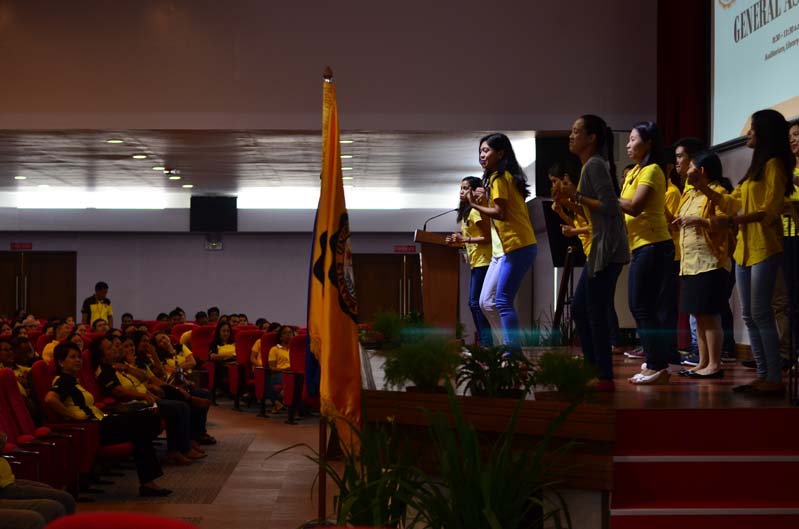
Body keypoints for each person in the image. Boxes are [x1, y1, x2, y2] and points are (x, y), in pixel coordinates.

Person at [691, 109, 795, 394]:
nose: (748, 134)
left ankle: (773, 378)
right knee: (749, 315)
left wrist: (732, 222)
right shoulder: (754, 170)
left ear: (764, 133)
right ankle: (763, 375)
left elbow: (771, 210)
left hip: (765, 247)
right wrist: (704, 188)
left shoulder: (774, 165)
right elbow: (731, 203)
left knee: (761, 313)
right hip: (744, 250)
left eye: (752, 129)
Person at [552, 115, 629, 390]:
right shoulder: (590, 166)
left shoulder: (594, 165)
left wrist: (575, 195)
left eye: (576, 131)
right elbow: (593, 212)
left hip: (608, 250)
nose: (571, 136)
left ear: (592, 138)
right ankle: (594, 368)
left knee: (593, 311)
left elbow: (610, 206)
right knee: (582, 309)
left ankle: (603, 375)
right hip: (601, 248)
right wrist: (568, 202)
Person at [45, 342, 172, 497]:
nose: (78, 360)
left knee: (142, 428)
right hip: (91, 429)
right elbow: (50, 399)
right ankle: (148, 483)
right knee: (144, 421)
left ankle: (148, 483)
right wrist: (72, 416)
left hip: (99, 424)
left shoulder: (73, 381)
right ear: (61, 362)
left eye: (79, 357)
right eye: (72, 357)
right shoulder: (63, 380)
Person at [466, 133, 537, 351]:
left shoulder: (499, 177)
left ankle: (511, 352)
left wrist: (475, 205)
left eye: (486, 150)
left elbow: (501, 213)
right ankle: (504, 347)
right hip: (505, 248)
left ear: (500, 153)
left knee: (503, 301)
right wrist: (483, 202)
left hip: (518, 245)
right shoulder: (497, 178)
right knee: (485, 302)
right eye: (480, 151)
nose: (482, 155)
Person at [620, 121, 675, 385]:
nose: (628, 144)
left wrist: (604, 197)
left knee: (643, 306)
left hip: (653, 245)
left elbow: (634, 207)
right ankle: (655, 360)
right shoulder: (634, 172)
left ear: (649, 142)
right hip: (641, 245)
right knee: (639, 306)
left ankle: (657, 365)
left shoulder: (653, 170)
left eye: (633, 139)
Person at [673, 151, 732, 379]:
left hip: (710, 262)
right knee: (697, 315)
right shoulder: (689, 194)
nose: (687, 169)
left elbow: (726, 223)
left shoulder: (718, 192)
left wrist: (700, 220)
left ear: (702, 171)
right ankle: (703, 362)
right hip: (689, 263)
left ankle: (714, 364)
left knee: (710, 314)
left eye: (691, 166)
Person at [446, 176, 493, 346]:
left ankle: (487, 344)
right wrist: (458, 241)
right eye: (461, 188)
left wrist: (464, 239)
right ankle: (485, 342)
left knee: (475, 303)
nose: (461, 191)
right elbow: (470, 239)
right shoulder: (467, 213)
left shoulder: (475, 212)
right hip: (476, 261)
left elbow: (488, 238)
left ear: (474, 191)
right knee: (474, 304)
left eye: (465, 188)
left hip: (484, 261)